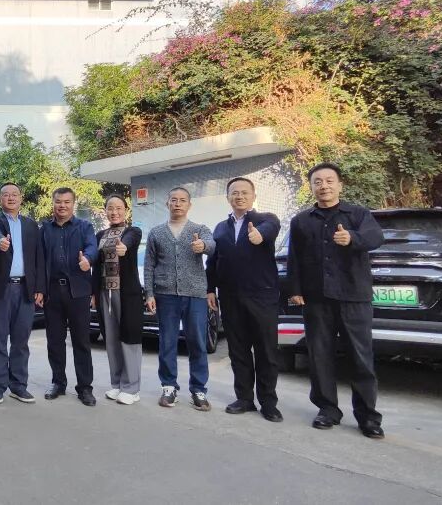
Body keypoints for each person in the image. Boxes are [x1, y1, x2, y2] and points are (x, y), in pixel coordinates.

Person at [287, 162, 385, 439]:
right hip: (316, 299)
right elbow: (295, 258)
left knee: (360, 357)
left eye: (329, 181)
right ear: (311, 187)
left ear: (340, 185)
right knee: (319, 356)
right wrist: (295, 289)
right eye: (318, 182)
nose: (324, 186)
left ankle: (368, 417)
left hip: (353, 297)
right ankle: (327, 409)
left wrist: (352, 237)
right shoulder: (301, 220)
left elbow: (376, 237)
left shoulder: (358, 214)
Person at [206, 177, 283, 422]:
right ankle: (245, 398)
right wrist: (210, 289)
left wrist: (259, 235)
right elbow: (213, 261)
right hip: (230, 297)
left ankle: (268, 402)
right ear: (228, 197)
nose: (239, 196)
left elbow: (270, 230)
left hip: (262, 296)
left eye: (244, 192)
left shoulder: (266, 220)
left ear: (253, 196)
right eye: (234, 193)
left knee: (266, 351)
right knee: (238, 350)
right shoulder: (221, 228)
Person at [144, 187, 215, 411]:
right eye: (173, 200)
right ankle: (168, 387)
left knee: (197, 342)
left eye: (182, 200)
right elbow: (149, 265)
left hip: (195, 294)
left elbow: (212, 245)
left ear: (189, 205)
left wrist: (203, 246)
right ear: (167, 204)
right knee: (167, 342)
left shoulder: (199, 229)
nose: (177, 204)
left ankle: (198, 389)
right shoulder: (156, 232)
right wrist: (149, 293)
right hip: (165, 295)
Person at [0, 183, 45, 404]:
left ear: (21, 198)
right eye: (6, 195)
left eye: (14, 194)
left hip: (26, 289)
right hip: (1, 289)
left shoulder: (31, 225)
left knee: (21, 341)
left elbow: (38, 258)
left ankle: (18, 386)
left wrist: (39, 288)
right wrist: (0, 240)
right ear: (0, 199)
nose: (10, 198)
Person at [40, 187, 99, 407]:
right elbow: (39, 260)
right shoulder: (45, 229)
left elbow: (92, 247)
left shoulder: (84, 227)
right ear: (53, 203)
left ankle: (85, 387)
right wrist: (40, 289)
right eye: (58, 201)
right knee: (54, 341)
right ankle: (58, 382)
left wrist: (88, 260)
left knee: (81, 341)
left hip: (78, 292)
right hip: (52, 292)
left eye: (66, 202)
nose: (62, 206)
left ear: (73, 204)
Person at [91, 195, 145, 406]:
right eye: (110, 208)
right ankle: (117, 383)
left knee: (129, 339)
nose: (114, 212)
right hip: (105, 292)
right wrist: (93, 293)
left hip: (127, 293)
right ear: (105, 211)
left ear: (126, 210)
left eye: (119, 208)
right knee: (111, 339)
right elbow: (96, 265)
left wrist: (124, 247)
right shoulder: (100, 235)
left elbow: (129, 243)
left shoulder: (133, 231)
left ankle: (132, 388)